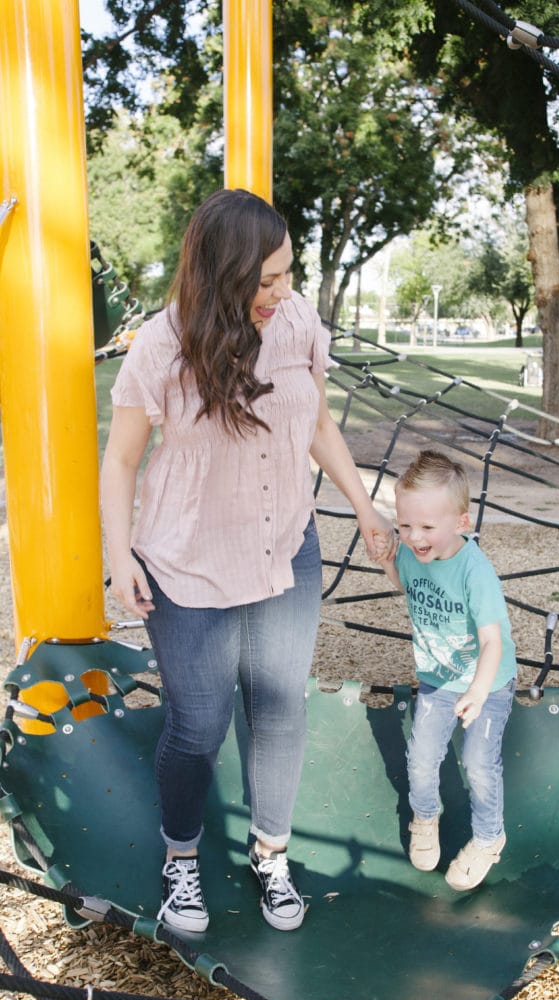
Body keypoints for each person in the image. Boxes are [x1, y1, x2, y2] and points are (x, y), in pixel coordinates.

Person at [100, 188, 394, 934]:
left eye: (287, 273)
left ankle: (272, 856)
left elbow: (316, 421)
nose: (282, 291)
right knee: (199, 724)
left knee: (278, 709)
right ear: (222, 274)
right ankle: (181, 861)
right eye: (265, 280)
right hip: (187, 560)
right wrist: (118, 553)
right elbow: (122, 459)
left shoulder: (295, 322)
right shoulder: (161, 346)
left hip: (284, 547)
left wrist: (362, 504)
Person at [376, 449, 517, 890]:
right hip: (437, 679)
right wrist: (385, 557)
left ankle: (490, 838)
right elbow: (407, 583)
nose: (414, 537)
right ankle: (425, 816)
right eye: (405, 525)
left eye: (426, 527)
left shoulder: (476, 572)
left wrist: (476, 692)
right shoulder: (413, 554)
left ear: (461, 523)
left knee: (478, 763)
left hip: (487, 683)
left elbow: (492, 640)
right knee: (421, 759)